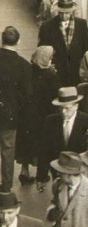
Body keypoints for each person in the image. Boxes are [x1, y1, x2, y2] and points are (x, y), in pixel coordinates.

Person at [16, 45, 60, 186]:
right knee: (43, 144)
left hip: (26, 114)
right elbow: (54, 95)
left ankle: (24, 170)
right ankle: (42, 174)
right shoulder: (51, 75)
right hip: (43, 115)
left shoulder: (27, 70)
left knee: (25, 142)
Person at [0, 25, 32, 192]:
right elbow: (27, 94)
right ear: (18, 41)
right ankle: (5, 187)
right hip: (10, 115)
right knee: (7, 151)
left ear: (2, 40)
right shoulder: (23, 65)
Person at [38, 0, 88, 87]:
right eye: (61, 13)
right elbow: (42, 50)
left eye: (67, 13)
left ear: (72, 11)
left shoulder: (82, 24)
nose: (64, 16)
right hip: (56, 72)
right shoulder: (47, 26)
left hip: (76, 71)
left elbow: (87, 48)